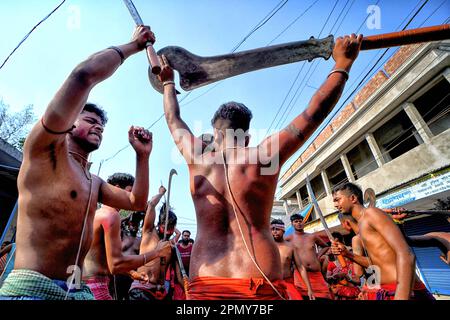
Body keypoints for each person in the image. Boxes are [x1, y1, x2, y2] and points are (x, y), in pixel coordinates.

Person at [157, 33, 362, 300]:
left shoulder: (197, 158)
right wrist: (343, 64)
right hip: (258, 279)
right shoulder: (263, 155)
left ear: (215, 134)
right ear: (248, 136)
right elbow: (313, 112)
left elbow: (173, 119)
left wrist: (168, 84)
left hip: (206, 280)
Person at [0, 26, 156, 300]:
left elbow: (137, 203)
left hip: (76, 291)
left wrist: (142, 157)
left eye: (102, 126)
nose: (99, 128)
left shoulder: (92, 181)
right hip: (31, 291)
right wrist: (134, 46)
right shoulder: (45, 151)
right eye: (91, 121)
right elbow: (83, 76)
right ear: (70, 122)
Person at [331, 182, 435, 300]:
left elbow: (406, 253)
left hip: (404, 290)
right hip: (387, 290)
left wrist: (401, 295)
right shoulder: (362, 224)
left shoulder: (371, 213)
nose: (335, 205)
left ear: (353, 198)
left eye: (337, 200)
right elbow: (375, 263)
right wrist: (347, 254)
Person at [83, 173, 171, 300]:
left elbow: (106, 260)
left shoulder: (97, 214)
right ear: (117, 188)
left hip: (88, 286)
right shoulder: (111, 216)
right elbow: (116, 265)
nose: (133, 197)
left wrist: (133, 273)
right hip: (97, 289)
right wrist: (157, 252)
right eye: (130, 192)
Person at [129, 188, 182, 300]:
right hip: (140, 290)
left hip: (158, 293)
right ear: (159, 224)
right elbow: (152, 204)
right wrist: (161, 193)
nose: (168, 231)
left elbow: (176, 275)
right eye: (165, 227)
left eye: (171, 228)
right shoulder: (149, 232)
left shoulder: (170, 247)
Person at [286, 214, 332, 299]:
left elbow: (326, 246)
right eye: (296, 221)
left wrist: (318, 256)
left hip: (316, 274)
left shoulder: (312, 236)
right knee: (304, 297)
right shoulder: (288, 238)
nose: (299, 223)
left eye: (300, 221)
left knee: (324, 296)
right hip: (300, 276)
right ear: (292, 224)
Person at [270, 219, 313, 300]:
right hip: (271, 284)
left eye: (277, 229)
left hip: (288, 283)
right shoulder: (268, 246)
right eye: (272, 229)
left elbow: (300, 268)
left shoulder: (291, 247)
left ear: (283, 230)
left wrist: (309, 289)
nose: (275, 232)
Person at [325, 232, 360, 300]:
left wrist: (346, 277)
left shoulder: (352, 258)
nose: (335, 247)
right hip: (341, 293)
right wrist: (334, 278)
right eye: (332, 245)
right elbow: (328, 279)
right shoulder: (331, 263)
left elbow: (359, 281)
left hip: (356, 292)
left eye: (337, 243)